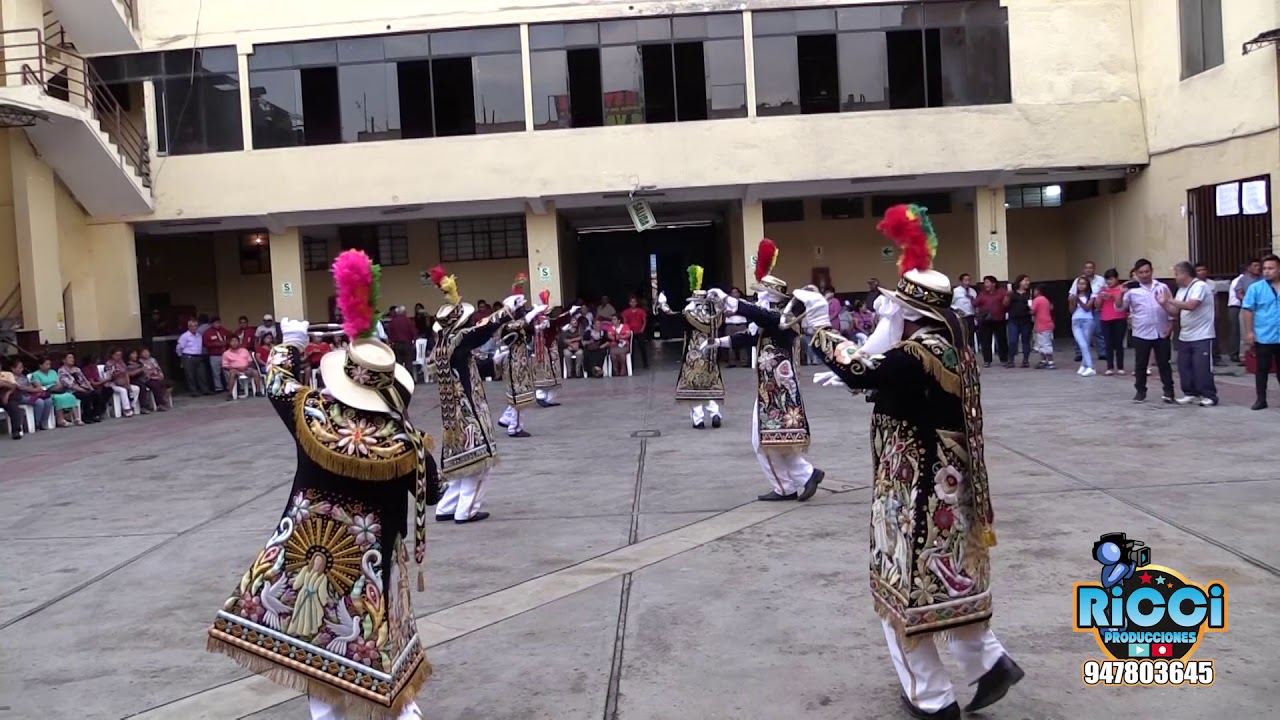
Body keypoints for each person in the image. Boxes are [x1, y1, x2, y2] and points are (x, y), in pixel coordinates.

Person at [802, 205, 1019, 720]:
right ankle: (989, 663)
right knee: (950, 579)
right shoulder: (953, 347)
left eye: (895, 307)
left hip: (912, 492)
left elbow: (861, 371)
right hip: (950, 487)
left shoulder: (915, 354)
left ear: (911, 311)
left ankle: (932, 696)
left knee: (899, 588)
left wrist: (818, 327)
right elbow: (883, 380)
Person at [207, 249, 436, 720]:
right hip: (371, 568)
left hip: (304, 553)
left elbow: (275, 382)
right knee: (379, 656)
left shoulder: (312, 414)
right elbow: (432, 493)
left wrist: (289, 343)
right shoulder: (406, 440)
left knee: (318, 655)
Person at [707, 239, 825, 502]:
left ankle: (796, 480)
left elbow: (761, 317)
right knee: (772, 439)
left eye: (760, 293)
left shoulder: (779, 317)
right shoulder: (770, 317)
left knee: (764, 439)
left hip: (778, 388)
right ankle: (799, 479)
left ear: (770, 297)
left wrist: (731, 302)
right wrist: (719, 342)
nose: (756, 296)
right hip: (770, 387)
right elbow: (749, 337)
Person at [429, 265, 516, 524]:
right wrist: (506, 310)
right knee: (479, 466)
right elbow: (483, 330)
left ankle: (446, 508)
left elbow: (469, 365)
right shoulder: (457, 340)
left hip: (451, 415)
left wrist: (495, 360)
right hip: (467, 411)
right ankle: (466, 511)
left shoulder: (441, 347)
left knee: (460, 467)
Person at [1113, 258, 1175, 403]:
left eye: (1147, 271)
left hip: (1161, 330)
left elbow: (1172, 307)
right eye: (1141, 272)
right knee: (1140, 364)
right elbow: (1119, 307)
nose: (1144, 275)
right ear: (1136, 273)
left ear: (1151, 271)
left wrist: (1171, 324)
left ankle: (1169, 391)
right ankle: (1140, 391)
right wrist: (1121, 294)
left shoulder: (1162, 287)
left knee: (1164, 363)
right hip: (1141, 332)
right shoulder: (1132, 290)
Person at [495, 274, 547, 438]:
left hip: (521, 363)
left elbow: (527, 331)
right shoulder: (507, 325)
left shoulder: (517, 323)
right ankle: (514, 427)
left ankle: (512, 422)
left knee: (522, 396)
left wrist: (539, 326)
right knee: (519, 397)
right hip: (514, 364)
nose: (523, 310)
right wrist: (532, 314)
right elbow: (518, 325)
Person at [1162, 261, 1218, 406]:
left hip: (1202, 334)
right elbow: (1175, 312)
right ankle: (1190, 393)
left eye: (1176, 274)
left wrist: (1170, 300)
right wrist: (1163, 304)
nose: (1175, 277)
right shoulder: (1181, 290)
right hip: (1185, 335)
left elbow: (1192, 305)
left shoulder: (1199, 286)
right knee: (1184, 366)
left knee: (1202, 366)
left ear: (1184, 274)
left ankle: (1209, 395)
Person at [675, 266, 724, 429]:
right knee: (710, 384)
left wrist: (686, 310)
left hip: (694, 353)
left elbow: (683, 317)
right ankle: (715, 413)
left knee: (693, 386)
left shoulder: (692, 313)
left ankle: (698, 419)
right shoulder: (714, 315)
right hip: (710, 354)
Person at [1241, 254, 1280, 410]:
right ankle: (1261, 399)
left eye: (1271, 268)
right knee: (1262, 369)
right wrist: (1249, 332)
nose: (1266, 271)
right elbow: (1248, 310)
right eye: (1265, 268)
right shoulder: (1256, 288)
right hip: (1264, 335)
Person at [531, 291, 579, 407]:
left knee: (553, 373)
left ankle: (547, 398)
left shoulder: (546, 320)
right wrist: (569, 312)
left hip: (550, 348)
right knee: (544, 373)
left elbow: (556, 325)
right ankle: (541, 396)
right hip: (543, 350)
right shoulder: (540, 320)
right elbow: (555, 322)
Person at [1071, 262, 1106, 362]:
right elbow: (1072, 294)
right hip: (1080, 310)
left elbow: (1105, 291)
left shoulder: (1101, 280)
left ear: (1094, 269)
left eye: (1091, 268)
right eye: (1086, 268)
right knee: (1079, 333)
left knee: (1099, 331)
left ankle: (1102, 353)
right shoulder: (1078, 280)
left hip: (1096, 308)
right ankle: (1079, 353)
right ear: (1083, 269)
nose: (1088, 270)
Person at [1230, 259, 1263, 363]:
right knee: (1245, 333)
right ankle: (1245, 358)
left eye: (1259, 265)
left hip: (1262, 309)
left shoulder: (1264, 278)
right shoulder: (1243, 279)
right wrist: (1248, 300)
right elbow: (1238, 293)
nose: (1257, 268)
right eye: (1255, 265)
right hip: (1247, 309)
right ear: (1249, 268)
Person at [1097, 269, 1128, 376]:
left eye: (1111, 279)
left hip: (1119, 317)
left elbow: (1122, 303)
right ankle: (1109, 367)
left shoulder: (1122, 289)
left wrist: (1112, 297)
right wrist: (1100, 297)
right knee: (1108, 343)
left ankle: (1120, 367)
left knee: (1118, 343)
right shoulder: (1103, 289)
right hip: (1105, 318)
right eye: (1107, 280)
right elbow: (1097, 306)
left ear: (1116, 278)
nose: (1109, 282)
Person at [58, 353, 106, 423]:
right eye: (70, 358)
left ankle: (95, 414)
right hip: (72, 391)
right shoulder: (62, 371)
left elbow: (85, 379)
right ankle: (86, 416)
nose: (72, 360)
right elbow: (69, 384)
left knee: (96, 394)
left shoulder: (77, 369)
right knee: (86, 396)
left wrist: (90, 388)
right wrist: (83, 390)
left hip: (83, 387)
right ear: (64, 360)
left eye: (73, 358)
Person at [32, 357, 80, 426]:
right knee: (58, 399)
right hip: (47, 392)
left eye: (49, 364)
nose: (48, 366)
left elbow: (58, 383)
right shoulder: (35, 374)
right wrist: (50, 387)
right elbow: (39, 387)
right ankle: (60, 420)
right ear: (40, 365)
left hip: (57, 390)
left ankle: (76, 418)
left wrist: (58, 386)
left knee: (71, 396)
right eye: (46, 364)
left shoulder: (53, 372)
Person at [973, 276, 1008, 367]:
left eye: (988, 282)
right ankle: (987, 360)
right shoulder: (982, 294)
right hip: (985, 321)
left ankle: (1004, 359)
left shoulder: (1001, 292)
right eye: (985, 283)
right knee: (986, 340)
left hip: (999, 319)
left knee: (1001, 340)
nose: (986, 285)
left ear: (994, 284)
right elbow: (975, 303)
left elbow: (1006, 303)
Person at [10, 358, 53, 430]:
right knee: (39, 402)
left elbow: (29, 385)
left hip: (29, 394)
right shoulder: (11, 377)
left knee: (48, 400)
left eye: (22, 367)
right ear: (13, 369)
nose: (21, 369)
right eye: (19, 368)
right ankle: (37, 423)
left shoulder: (23, 376)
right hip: (20, 396)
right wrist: (35, 390)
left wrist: (35, 390)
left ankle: (44, 422)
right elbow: (21, 388)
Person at [1003, 275, 1033, 368]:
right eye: (1025, 280)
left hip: (1026, 319)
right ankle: (1011, 360)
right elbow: (1005, 304)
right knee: (1012, 340)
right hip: (1013, 319)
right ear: (1019, 282)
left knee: (1026, 340)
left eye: (1028, 280)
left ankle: (1025, 360)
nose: (1027, 282)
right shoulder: (1012, 293)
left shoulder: (1030, 293)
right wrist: (1008, 295)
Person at [1069, 277, 1097, 376]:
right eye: (1079, 284)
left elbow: (1087, 308)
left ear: (1087, 285)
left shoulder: (1091, 295)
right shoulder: (1074, 295)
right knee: (1082, 343)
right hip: (1075, 321)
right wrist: (1072, 302)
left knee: (1085, 344)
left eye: (1083, 284)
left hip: (1087, 320)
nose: (1081, 286)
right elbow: (1071, 311)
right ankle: (1085, 365)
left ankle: (1090, 367)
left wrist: (1079, 301)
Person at [177, 319, 212, 396]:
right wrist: (181, 356)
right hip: (188, 356)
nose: (194, 328)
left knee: (202, 374)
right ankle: (193, 391)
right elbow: (179, 347)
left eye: (195, 326)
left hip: (198, 356)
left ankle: (204, 389)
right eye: (191, 326)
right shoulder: (185, 336)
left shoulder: (199, 335)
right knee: (190, 375)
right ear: (188, 327)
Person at [104, 348, 141, 416]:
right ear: (112, 355)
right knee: (123, 390)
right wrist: (117, 374)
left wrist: (128, 384)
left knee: (136, 388)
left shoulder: (122, 363)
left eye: (120, 355)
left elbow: (126, 373)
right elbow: (109, 377)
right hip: (112, 384)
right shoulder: (109, 364)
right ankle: (126, 409)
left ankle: (132, 406)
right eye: (117, 355)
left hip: (123, 382)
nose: (119, 357)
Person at [621, 295, 649, 369]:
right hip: (631, 332)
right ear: (629, 303)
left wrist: (642, 329)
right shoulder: (626, 312)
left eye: (634, 302)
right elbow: (625, 322)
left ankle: (645, 364)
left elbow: (644, 321)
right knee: (631, 349)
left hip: (639, 331)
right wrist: (627, 331)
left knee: (642, 348)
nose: (633, 303)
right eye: (631, 302)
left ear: (636, 303)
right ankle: (631, 365)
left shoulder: (641, 311)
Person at [1031, 286, 1055, 369]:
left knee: (1044, 344)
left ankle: (1050, 361)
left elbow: (1032, 311)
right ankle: (1044, 360)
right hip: (1048, 324)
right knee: (1043, 343)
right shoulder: (1046, 300)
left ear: (1038, 291)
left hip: (1041, 325)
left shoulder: (1037, 300)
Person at [951, 273, 978, 349]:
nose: (968, 282)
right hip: (959, 316)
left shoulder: (972, 291)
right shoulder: (956, 291)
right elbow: (951, 304)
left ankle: (970, 349)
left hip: (970, 315)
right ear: (961, 282)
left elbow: (976, 304)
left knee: (970, 333)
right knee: (960, 333)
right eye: (965, 280)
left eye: (969, 280)